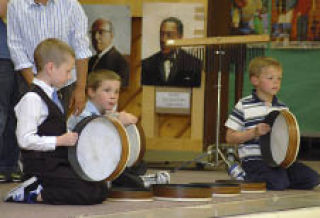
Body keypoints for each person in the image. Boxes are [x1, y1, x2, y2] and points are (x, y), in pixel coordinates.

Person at [4, 38, 108, 205]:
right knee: (89, 194)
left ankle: (41, 189)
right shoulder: (32, 99)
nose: (70, 77)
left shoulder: (54, 95)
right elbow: (24, 140)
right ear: (51, 68)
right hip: (41, 167)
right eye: (68, 71)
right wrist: (59, 140)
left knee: (100, 187)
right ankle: (32, 193)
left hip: (57, 161)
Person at [225, 56, 319, 190]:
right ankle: (243, 176)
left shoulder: (282, 108)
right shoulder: (244, 105)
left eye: (279, 78)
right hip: (254, 161)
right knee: (278, 183)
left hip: (279, 161)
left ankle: (278, 178)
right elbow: (230, 137)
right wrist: (254, 132)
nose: (276, 82)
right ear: (255, 80)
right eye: (270, 78)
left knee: (312, 179)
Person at [68, 70, 170, 188]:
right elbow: (93, 143)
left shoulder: (107, 113)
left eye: (117, 92)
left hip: (101, 159)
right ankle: (141, 181)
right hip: (84, 163)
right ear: (91, 91)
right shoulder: (81, 114)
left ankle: (133, 180)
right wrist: (118, 123)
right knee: (120, 172)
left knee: (138, 164)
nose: (113, 96)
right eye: (107, 91)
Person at [7, 0, 91, 115]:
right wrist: (37, 87)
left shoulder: (71, 4)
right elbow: (16, 48)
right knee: (29, 127)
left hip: (66, 85)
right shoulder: (15, 5)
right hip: (29, 81)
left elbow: (82, 49)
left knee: (62, 128)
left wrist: (80, 88)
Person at [141, 17, 202, 87]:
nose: (163, 39)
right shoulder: (146, 65)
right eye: (161, 34)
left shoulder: (194, 65)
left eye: (169, 35)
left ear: (180, 37)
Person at [0, 0, 22, 182]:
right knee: (1, 113)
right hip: (2, 56)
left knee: (18, 114)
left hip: (24, 57)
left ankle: (10, 165)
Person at [88, 18, 129, 87]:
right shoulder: (91, 61)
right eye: (93, 33)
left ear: (111, 36)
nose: (96, 37)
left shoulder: (120, 63)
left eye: (101, 32)